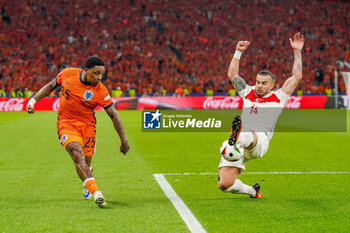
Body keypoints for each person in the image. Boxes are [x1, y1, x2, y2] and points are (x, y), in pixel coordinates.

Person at [26, 56, 130, 207]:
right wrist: (33, 101)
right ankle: (97, 193)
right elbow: (50, 86)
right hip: (66, 123)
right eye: (96, 73)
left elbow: (113, 114)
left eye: (102, 74)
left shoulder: (100, 90)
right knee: (77, 154)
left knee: (86, 163)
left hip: (87, 127)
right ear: (85, 70)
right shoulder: (68, 73)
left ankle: (87, 179)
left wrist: (124, 140)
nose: (99, 77)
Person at [218, 32, 304, 198]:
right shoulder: (248, 92)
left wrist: (297, 51)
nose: (259, 86)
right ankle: (252, 191)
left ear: (272, 85)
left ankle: (234, 139)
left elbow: (297, 76)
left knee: (243, 136)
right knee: (224, 184)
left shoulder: (279, 97)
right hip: (241, 146)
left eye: (264, 84)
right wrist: (238, 52)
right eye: (257, 82)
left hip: (260, 140)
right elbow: (233, 76)